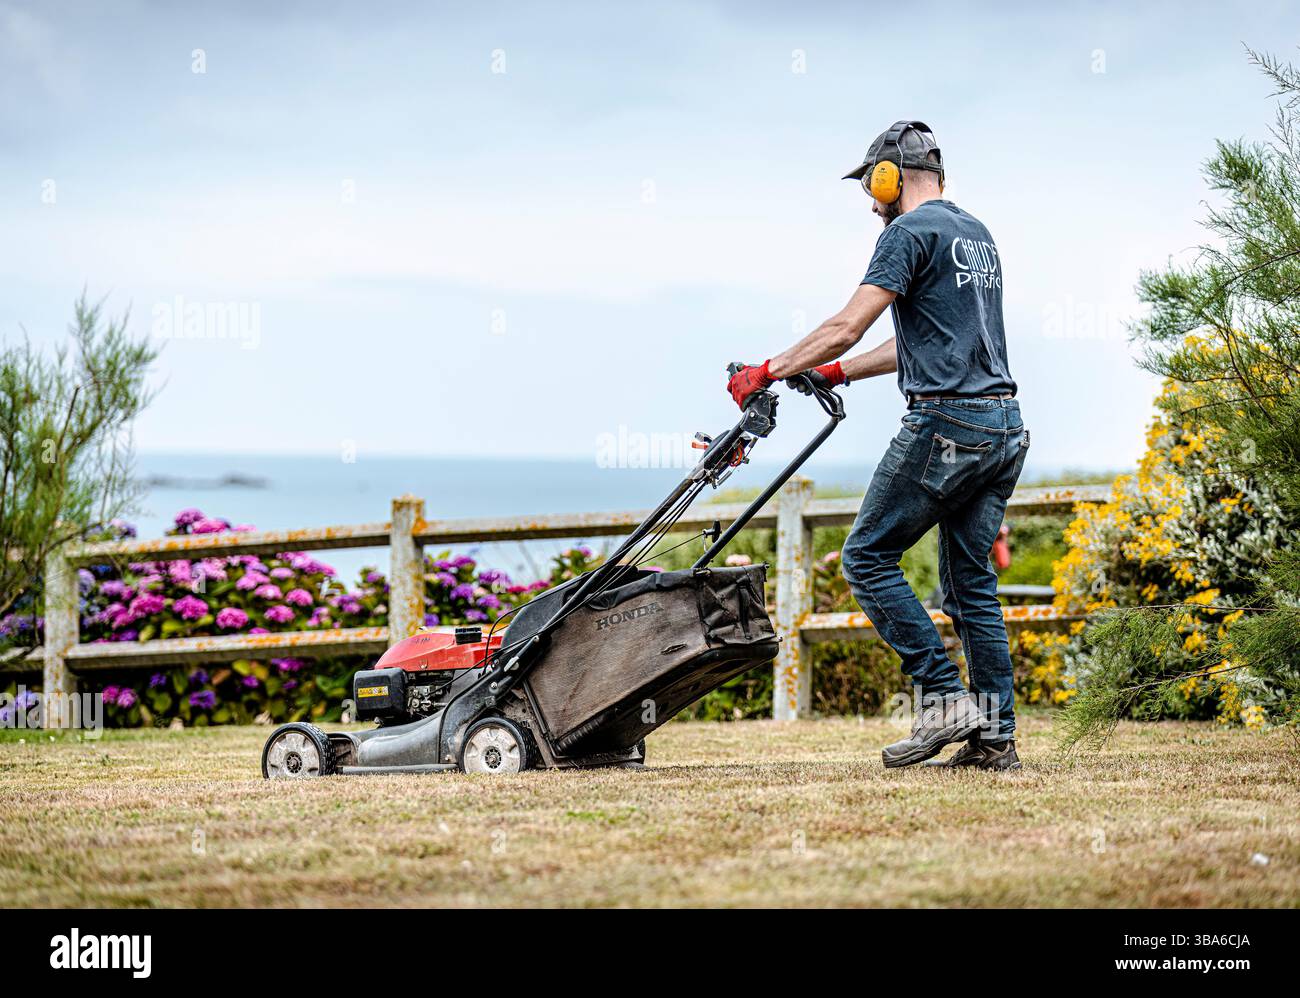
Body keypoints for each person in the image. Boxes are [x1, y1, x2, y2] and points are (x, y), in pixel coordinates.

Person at [725, 121, 1028, 771]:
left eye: (871, 183)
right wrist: (835, 373)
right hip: (1003, 427)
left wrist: (768, 369)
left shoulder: (907, 233)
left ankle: (946, 699)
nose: (870, 200)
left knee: (865, 557)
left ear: (891, 176)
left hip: (949, 425)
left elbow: (844, 325)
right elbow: (913, 343)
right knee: (971, 585)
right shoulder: (975, 235)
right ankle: (995, 739)